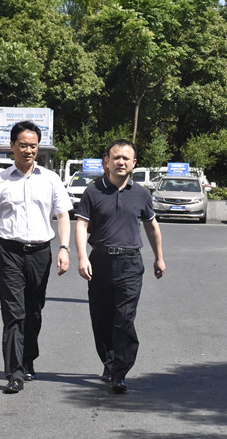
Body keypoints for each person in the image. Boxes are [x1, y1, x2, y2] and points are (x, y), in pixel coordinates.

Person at [0, 121, 72, 394]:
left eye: (33, 146)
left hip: (40, 252)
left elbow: (63, 215)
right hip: (8, 252)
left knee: (33, 311)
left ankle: (28, 359)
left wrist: (64, 248)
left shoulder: (50, 179)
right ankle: (14, 372)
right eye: (23, 145)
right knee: (13, 313)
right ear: (12, 146)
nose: (29, 150)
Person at [75, 139, 165, 394]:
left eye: (126, 158)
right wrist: (82, 257)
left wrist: (159, 257)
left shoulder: (141, 193)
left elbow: (151, 226)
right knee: (101, 318)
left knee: (124, 319)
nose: (121, 162)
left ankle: (120, 372)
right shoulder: (93, 191)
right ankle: (110, 362)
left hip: (130, 263)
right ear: (107, 161)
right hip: (100, 261)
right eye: (116, 158)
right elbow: (81, 225)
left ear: (134, 163)